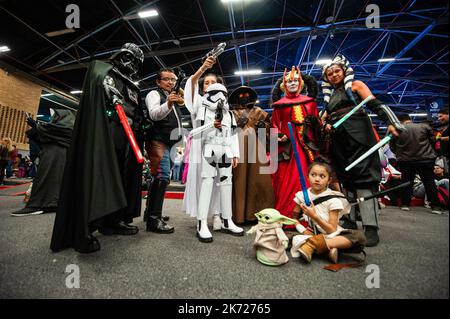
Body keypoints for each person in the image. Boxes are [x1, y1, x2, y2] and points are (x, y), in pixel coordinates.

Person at [51, 43, 145, 253]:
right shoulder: (102, 70)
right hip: (105, 132)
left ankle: (113, 221)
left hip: (127, 138)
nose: (133, 66)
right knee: (96, 174)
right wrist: (107, 90)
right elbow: (98, 93)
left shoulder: (132, 84)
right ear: (122, 56)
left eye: (136, 63)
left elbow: (136, 110)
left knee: (121, 177)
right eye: (131, 60)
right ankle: (83, 229)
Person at [321, 54, 404, 246]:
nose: (333, 75)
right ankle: (350, 219)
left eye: (336, 71)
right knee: (346, 180)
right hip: (338, 139)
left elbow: (374, 103)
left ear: (344, 71)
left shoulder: (356, 85)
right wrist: (325, 124)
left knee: (364, 179)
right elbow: (325, 117)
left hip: (359, 135)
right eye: (329, 73)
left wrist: (392, 122)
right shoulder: (330, 96)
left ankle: (371, 227)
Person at [184, 57, 243, 242]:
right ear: (205, 91)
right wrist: (212, 126)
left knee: (227, 183)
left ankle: (227, 219)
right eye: (212, 89)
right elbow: (195, 132)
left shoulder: (229, 113)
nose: (218, 95)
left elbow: (233, 135)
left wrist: (235, 153)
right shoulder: (201, 108)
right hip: (209, 148)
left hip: (225, 150)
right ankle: (202, 222)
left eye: (220, 90)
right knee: (207, 182)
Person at [270, 66, 321, 228]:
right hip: (288, 148)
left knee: (310, 176)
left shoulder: (310, 102)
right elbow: (274, 126)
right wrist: (280, 136)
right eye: (288, 81)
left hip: (307, 145)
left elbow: (317, 123)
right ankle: (288, 213)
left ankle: (313, 215)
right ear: (284, 85)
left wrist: (312, 126)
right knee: (288, 178)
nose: (292, 83)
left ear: (301, 83)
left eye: (295, 81)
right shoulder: (279, 105)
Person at [290, 161, 366, 264]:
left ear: (329, 180)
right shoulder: (301, 196)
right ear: (307, 177)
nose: (317, 179)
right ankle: (328, 249)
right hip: (310, 234)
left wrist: (314, 217)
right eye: (313, 175)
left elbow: (332, 230)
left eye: (322, 176)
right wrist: (303, 230)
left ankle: (313, 245)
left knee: (359, 238)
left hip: (331, 235)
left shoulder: (334, 199)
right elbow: (293, 218)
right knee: (284, 235)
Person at [183, 56, 224, 232]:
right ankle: (202, 217)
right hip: (200, 147)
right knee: (203, 181)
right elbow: (191, 83)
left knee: (219, 181)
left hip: (220, 147)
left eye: (213, 82)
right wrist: (202, 69)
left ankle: (216, 214)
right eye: (206, 83)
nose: (209, 85)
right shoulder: (198, 101)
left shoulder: (224, 103)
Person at [11, 109, 75, 217]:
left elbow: (52, 132)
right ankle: (51, 204)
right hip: (52, 156)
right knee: (51, 181)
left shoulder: (66, 128)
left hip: (55, 157)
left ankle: (38, 205)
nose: (52, 119)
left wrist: (36, 125)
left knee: (46, 179)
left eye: (54, 116)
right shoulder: (57, 129)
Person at [143, 68, 185, 233]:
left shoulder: (173, 97)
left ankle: (150, 213)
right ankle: (154, 220)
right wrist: (168, 103)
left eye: (173, 80)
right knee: (162, 177)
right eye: (166, 79)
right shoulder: (154, 94)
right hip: (158, 141)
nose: (170, 82)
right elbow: (154, 115)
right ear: (158, 82)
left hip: (169, 143)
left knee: (159, 178)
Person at [229, 86, 274, 224]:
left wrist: (263, 126)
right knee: (239, 179)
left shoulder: (259, 111)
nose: (244, 97)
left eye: (247, 94)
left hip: (255, 149)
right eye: (240, 95)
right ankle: (237, 215)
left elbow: (269, 128)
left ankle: (256, 214)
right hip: (237, 148)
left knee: (258, 180)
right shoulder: (230, 113)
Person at [390, 114, 445, 214]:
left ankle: (405, 204)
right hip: (425, 159)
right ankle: (436, 207)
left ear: (400, 121)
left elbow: (392, 146)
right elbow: (433, 141)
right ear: (410, 119)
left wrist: (400, 154)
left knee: (406, 181)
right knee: (429, 182)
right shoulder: (424, 126)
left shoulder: (397, 129)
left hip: (405, 160)